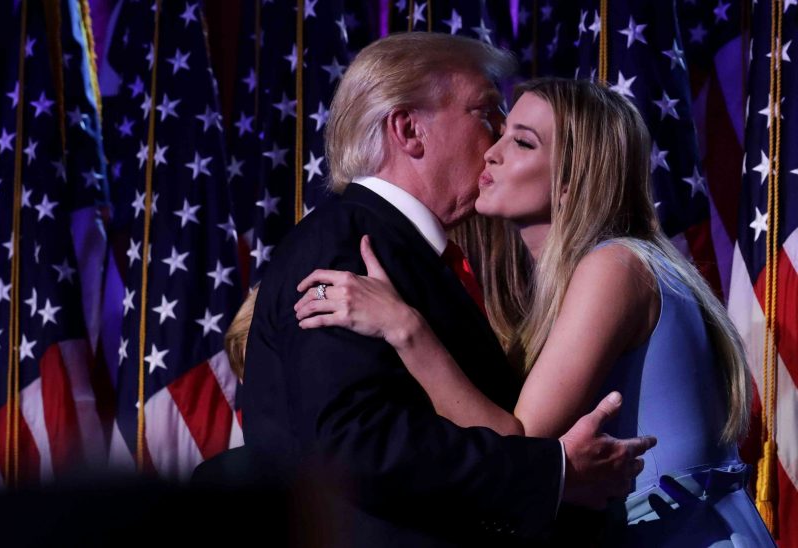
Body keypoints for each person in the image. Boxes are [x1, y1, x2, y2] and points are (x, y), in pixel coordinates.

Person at [294, 78, 775, 546]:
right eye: (500, 131)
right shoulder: (584, 275)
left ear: (570, 182)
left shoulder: (615, 265)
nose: (491, 152)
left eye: (522, 142)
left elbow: (521, 441)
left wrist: (404, 327)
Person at [240, 34, 655, 547]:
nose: (500, 134)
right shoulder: (348, 244)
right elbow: (358, 443)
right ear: (410, 130)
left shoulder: (408, 250)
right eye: (486, 111)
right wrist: (555, 473)